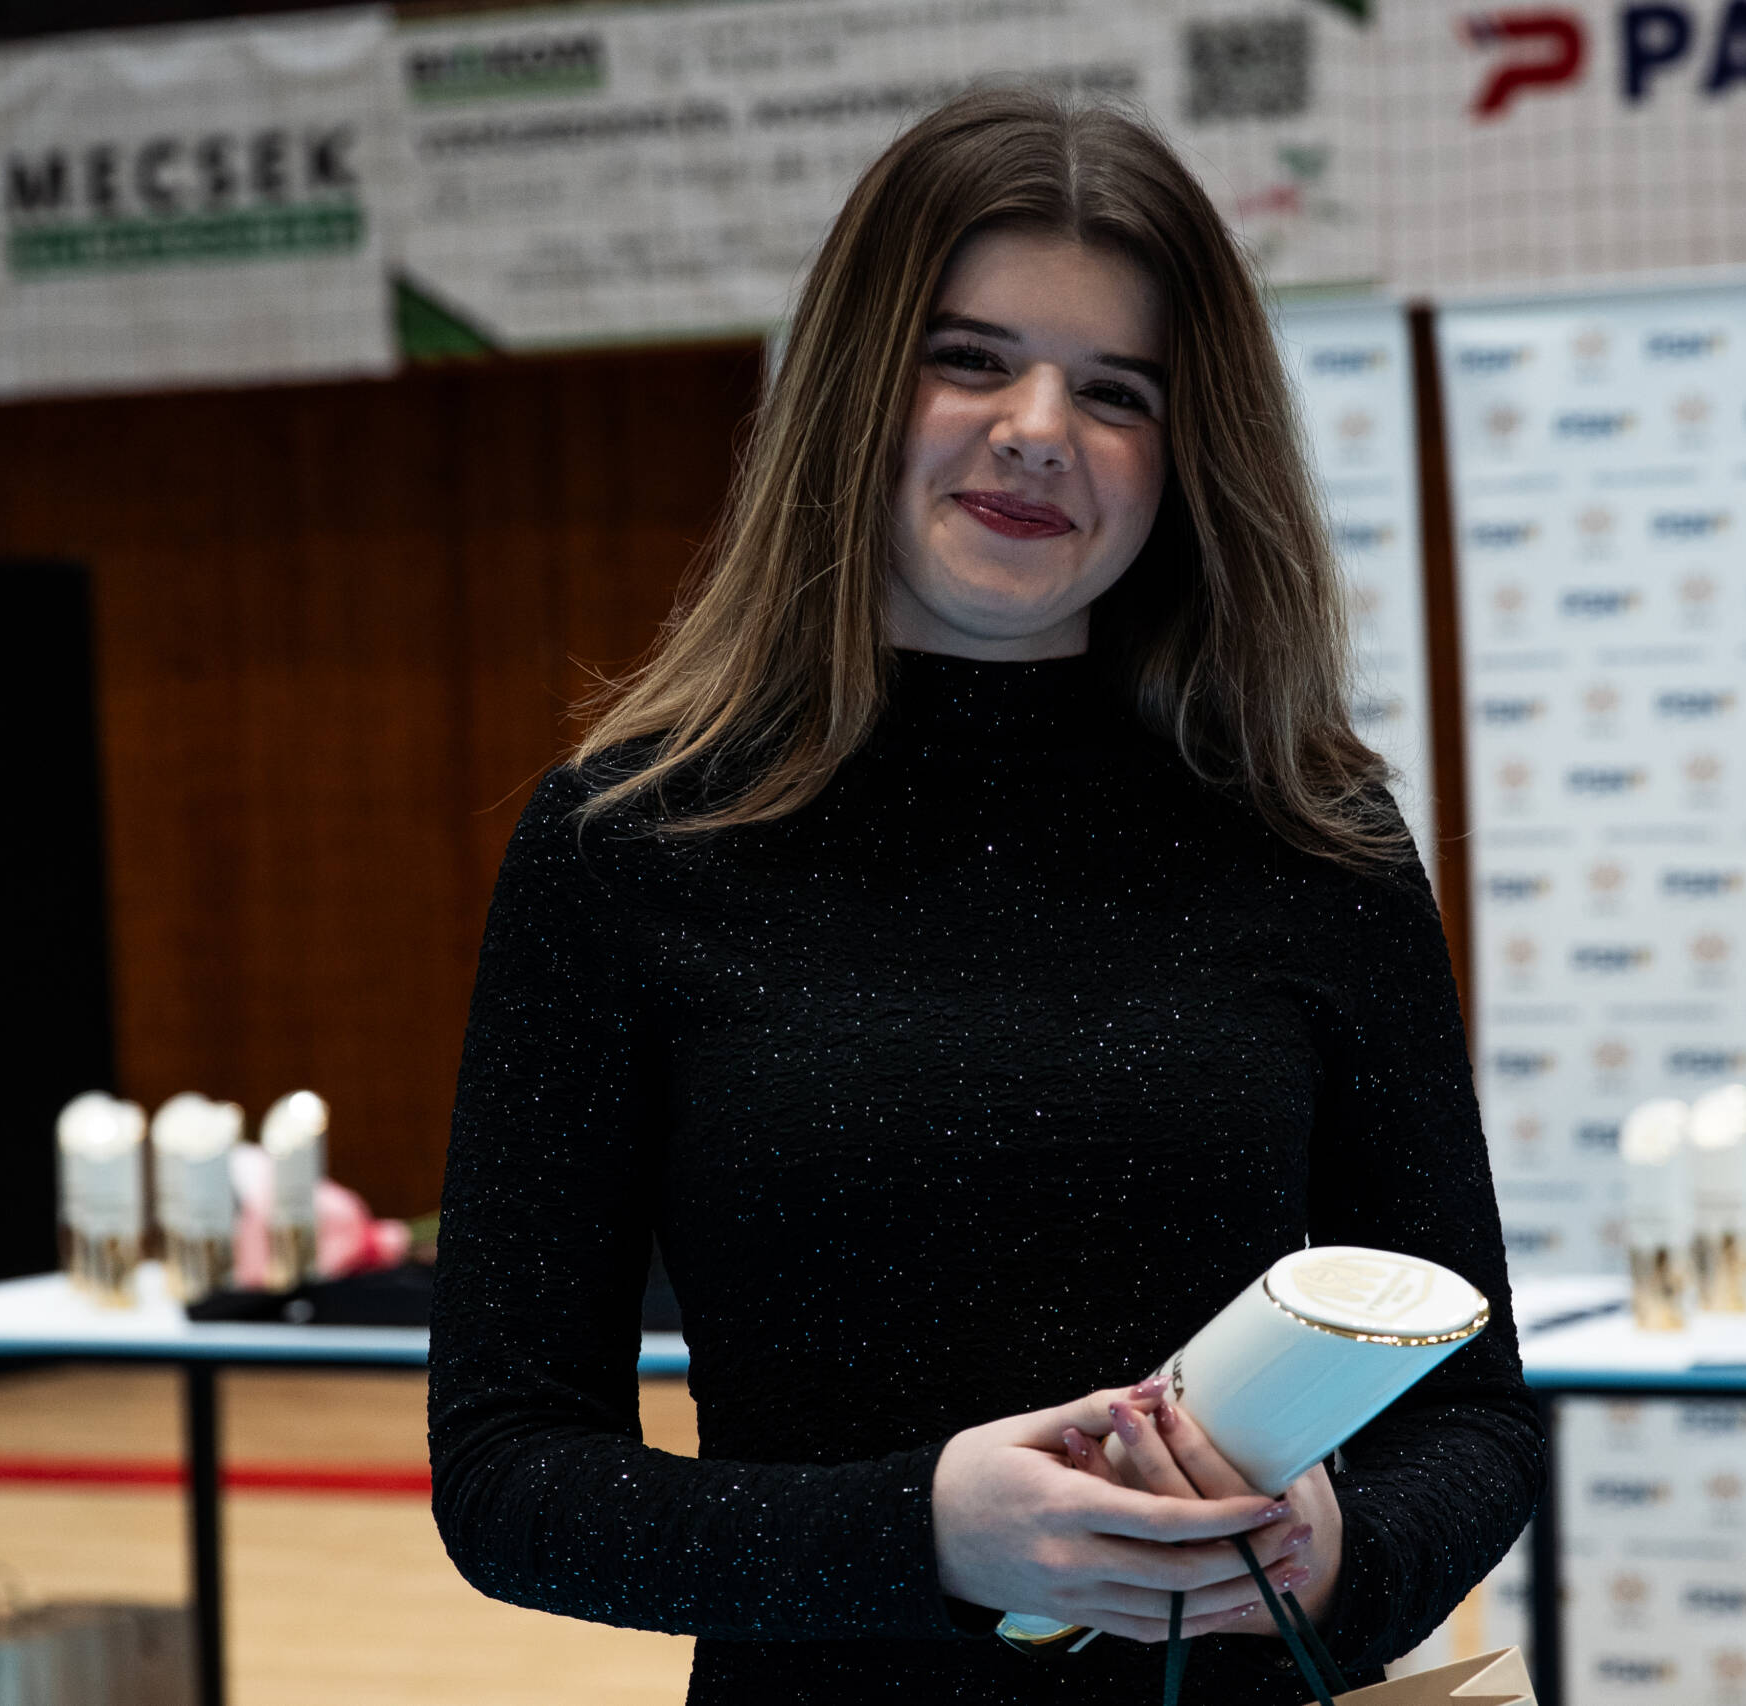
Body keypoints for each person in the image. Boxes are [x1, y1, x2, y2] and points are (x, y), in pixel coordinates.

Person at [427, 86, 1539, 1705]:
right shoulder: (629, 843)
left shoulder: (1313, 834)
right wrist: (925, 1532)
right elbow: (509, 1477)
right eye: (969, 359)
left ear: (1185, 454)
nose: (1037, 427)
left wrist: (1336, 1555)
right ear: (854, 386)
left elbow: (1477, 1415)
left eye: (1117, 391)